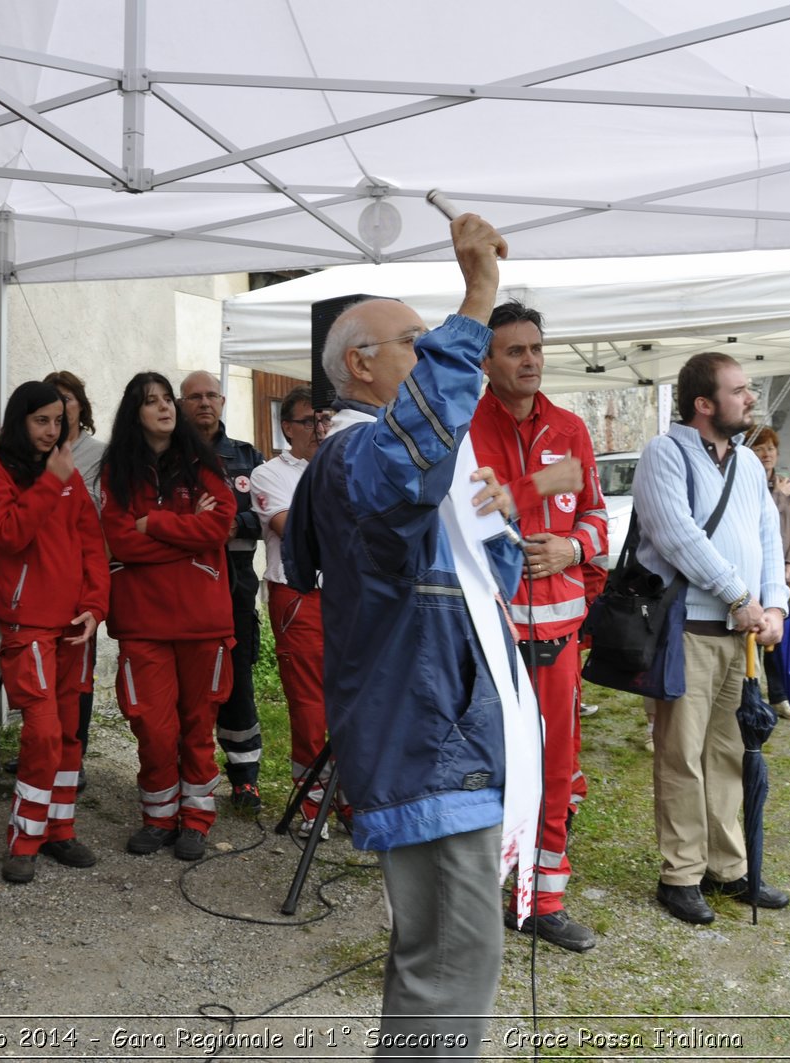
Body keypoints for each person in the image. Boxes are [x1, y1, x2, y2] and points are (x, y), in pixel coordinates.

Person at [284, 213, 527, 1055]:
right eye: (416, 342)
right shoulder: (356, 460)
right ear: (361, 364)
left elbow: (493, 582)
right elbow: (414, 454)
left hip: (453, 727)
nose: (431, 356)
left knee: (442, 951)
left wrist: (498, 521)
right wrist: (478, 297)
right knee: (455, 955)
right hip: (425, 734)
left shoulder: (408, 462)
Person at [632, 351, 790, 926]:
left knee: (729, 753)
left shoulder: (749, 465)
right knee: (681, 757)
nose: (750, 398)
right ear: (705, 404)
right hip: (690, 630)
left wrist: (774, 604)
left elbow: (767, 536)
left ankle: (728, 868)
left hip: (741, 632)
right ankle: (680, 874)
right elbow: (678, 537)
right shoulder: (663, 454)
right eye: (739, 390)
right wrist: (737, 596)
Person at [469, 300, 607, 952]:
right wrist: (535, 487)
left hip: (557, 638)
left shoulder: (572, 429)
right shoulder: (468, 429)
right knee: (487, 767)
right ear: (488, 361)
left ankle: (542, 899)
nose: (529, 360)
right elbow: (472, 513)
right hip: (488, 636)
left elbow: (596, 516)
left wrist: (571, 549)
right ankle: (478, 893)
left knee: (556, 768)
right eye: (515, 350)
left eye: (535, 348)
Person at [0, 381, 109, 884]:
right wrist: (52, 481)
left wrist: (96, 605)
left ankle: (59, 830)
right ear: (19, 420)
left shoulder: (65, 471)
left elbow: (91, 543)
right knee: (44, 733)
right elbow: (9, 535)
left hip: (74, 626)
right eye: (41, 421)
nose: (52, 431)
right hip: (27, 624)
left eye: (58, 421)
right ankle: (24, 839)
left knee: (71, 735)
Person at [100, 372, 235, 862]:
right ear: (134, 412)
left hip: (203, 621)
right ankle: (158, 817)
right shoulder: (118, 472)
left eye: (165, 400)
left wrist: (153, 524)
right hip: (143, 624)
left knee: (198, 726)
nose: (162, 408)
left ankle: (195, 820)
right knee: (154, 729)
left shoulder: (203, 463)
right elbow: (119, 541)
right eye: (150, 401)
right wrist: (184, 536)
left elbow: (219, 524)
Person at [248, 386, 338, 837]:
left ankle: (350, 798)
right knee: (308, 707)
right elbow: (297, 534)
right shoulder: (269, 474)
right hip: (299, 596)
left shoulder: (344, 462)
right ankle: (310, 801)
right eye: (311, 421)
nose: (322, 429)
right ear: (287, 427)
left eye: (326, 419)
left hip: (347, 596)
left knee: (352, 699)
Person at [179, 369, 265, 811]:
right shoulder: (169, 456)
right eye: (195, 397)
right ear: (182, 405)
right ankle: (186, 770)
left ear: (224, 401)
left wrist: (236, 524)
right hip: (185, 586)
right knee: (187, 684)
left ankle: (244, 775)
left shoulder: (247, 458)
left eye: (212, 395)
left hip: (234, 585)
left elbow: (271, 516)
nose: (204, 403)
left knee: (237, 680)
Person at [44, 369, 107, 782]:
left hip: (83, 573)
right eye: (52, 398)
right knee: (45, 675)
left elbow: (102, 514)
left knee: (77, 674)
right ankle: (44, 749)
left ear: (80, 405)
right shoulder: (36, 449)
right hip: (44, 574)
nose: (60, 406)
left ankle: (75, 754)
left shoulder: (98, 453)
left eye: (67, 398)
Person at [750, 426, 790, 721]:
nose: (766, 454)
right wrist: (777, 496)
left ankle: (780, 697)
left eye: (771, 448)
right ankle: (751, 699)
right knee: (752, 638)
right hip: (751, 576)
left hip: (780, 578)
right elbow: (759, 518)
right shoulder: (746, 485)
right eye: (760, 448)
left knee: (778, 639)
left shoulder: (788, 486)